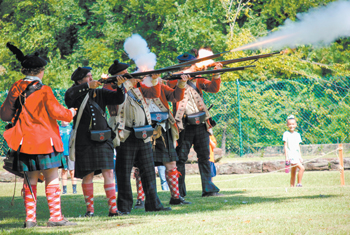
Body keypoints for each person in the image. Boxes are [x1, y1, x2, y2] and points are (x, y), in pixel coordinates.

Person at [1, 43, 77, 228]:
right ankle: (56, 217)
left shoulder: (15, 88)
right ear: (40, 71)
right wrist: (71, 113)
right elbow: (60, 113)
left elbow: (4, 115)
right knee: (52, 178)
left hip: (23, 142)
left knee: (30, 179)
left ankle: (30, 219)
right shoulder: (44, 90)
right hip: (45, 141)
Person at [104, 60, 171, 214]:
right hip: (125, 135)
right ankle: (124, 207)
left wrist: (154, 79)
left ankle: (153, 204)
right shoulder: (110, 87)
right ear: (120, 76)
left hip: (143, 134)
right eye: (125, 73)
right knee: (123, 173)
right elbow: (116, 100)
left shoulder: (136, 88)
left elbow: (154, 94)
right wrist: (125, 84)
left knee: (148, 171)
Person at [65, 66, 126, 217]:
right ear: (79, 80)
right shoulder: (75, 93)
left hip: (103, 138)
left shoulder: (99, 92)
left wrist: (119, 86)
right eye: (88, 77)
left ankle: (113, 210)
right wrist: (86, 87)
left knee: (109, 172)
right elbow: (69, 97)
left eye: (92, 76)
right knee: (88, 175)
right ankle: (89, 210)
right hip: (84, 140)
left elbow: (119, 98)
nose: (92, 79)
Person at [168, 52, 223, 198]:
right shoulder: (173, 79)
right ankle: (179, 191)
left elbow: (213, 88)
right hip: (184, 125)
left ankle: (208, 188)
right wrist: (184, 76)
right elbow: (172, 87)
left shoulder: (198, 79)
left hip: (201, 124)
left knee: (204, 157)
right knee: (180, 158)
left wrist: (216, 73)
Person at [133, 74, 192, 208]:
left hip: (163, 128)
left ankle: (175, 197)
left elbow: (176, 97)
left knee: (171, 162)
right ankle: (141, 199)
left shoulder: (160, 85)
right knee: (141, 165)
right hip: (145, 128)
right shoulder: (137, 87)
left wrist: (182, 83)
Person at [283, 115, 305, 187]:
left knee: (293, 172)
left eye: (293, 124)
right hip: (291, 156)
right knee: (302, 168)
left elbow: (298, 147)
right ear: (287, 125)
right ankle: (299, 183)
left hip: (296, 155)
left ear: (295, 124)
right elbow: (285, 146)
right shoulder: (286, 134)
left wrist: (300, 156)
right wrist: (286, 157)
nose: (291, 126)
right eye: (290, 124)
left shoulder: (297, 135)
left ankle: (292, 186)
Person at [59, 121, 77, 194]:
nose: (65, 121)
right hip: (62, 153)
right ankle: (64, 190)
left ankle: (74, 189)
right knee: (64, 171)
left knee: (72, 171)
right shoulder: (58, 128)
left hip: (70, 152)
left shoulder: (71, 128)